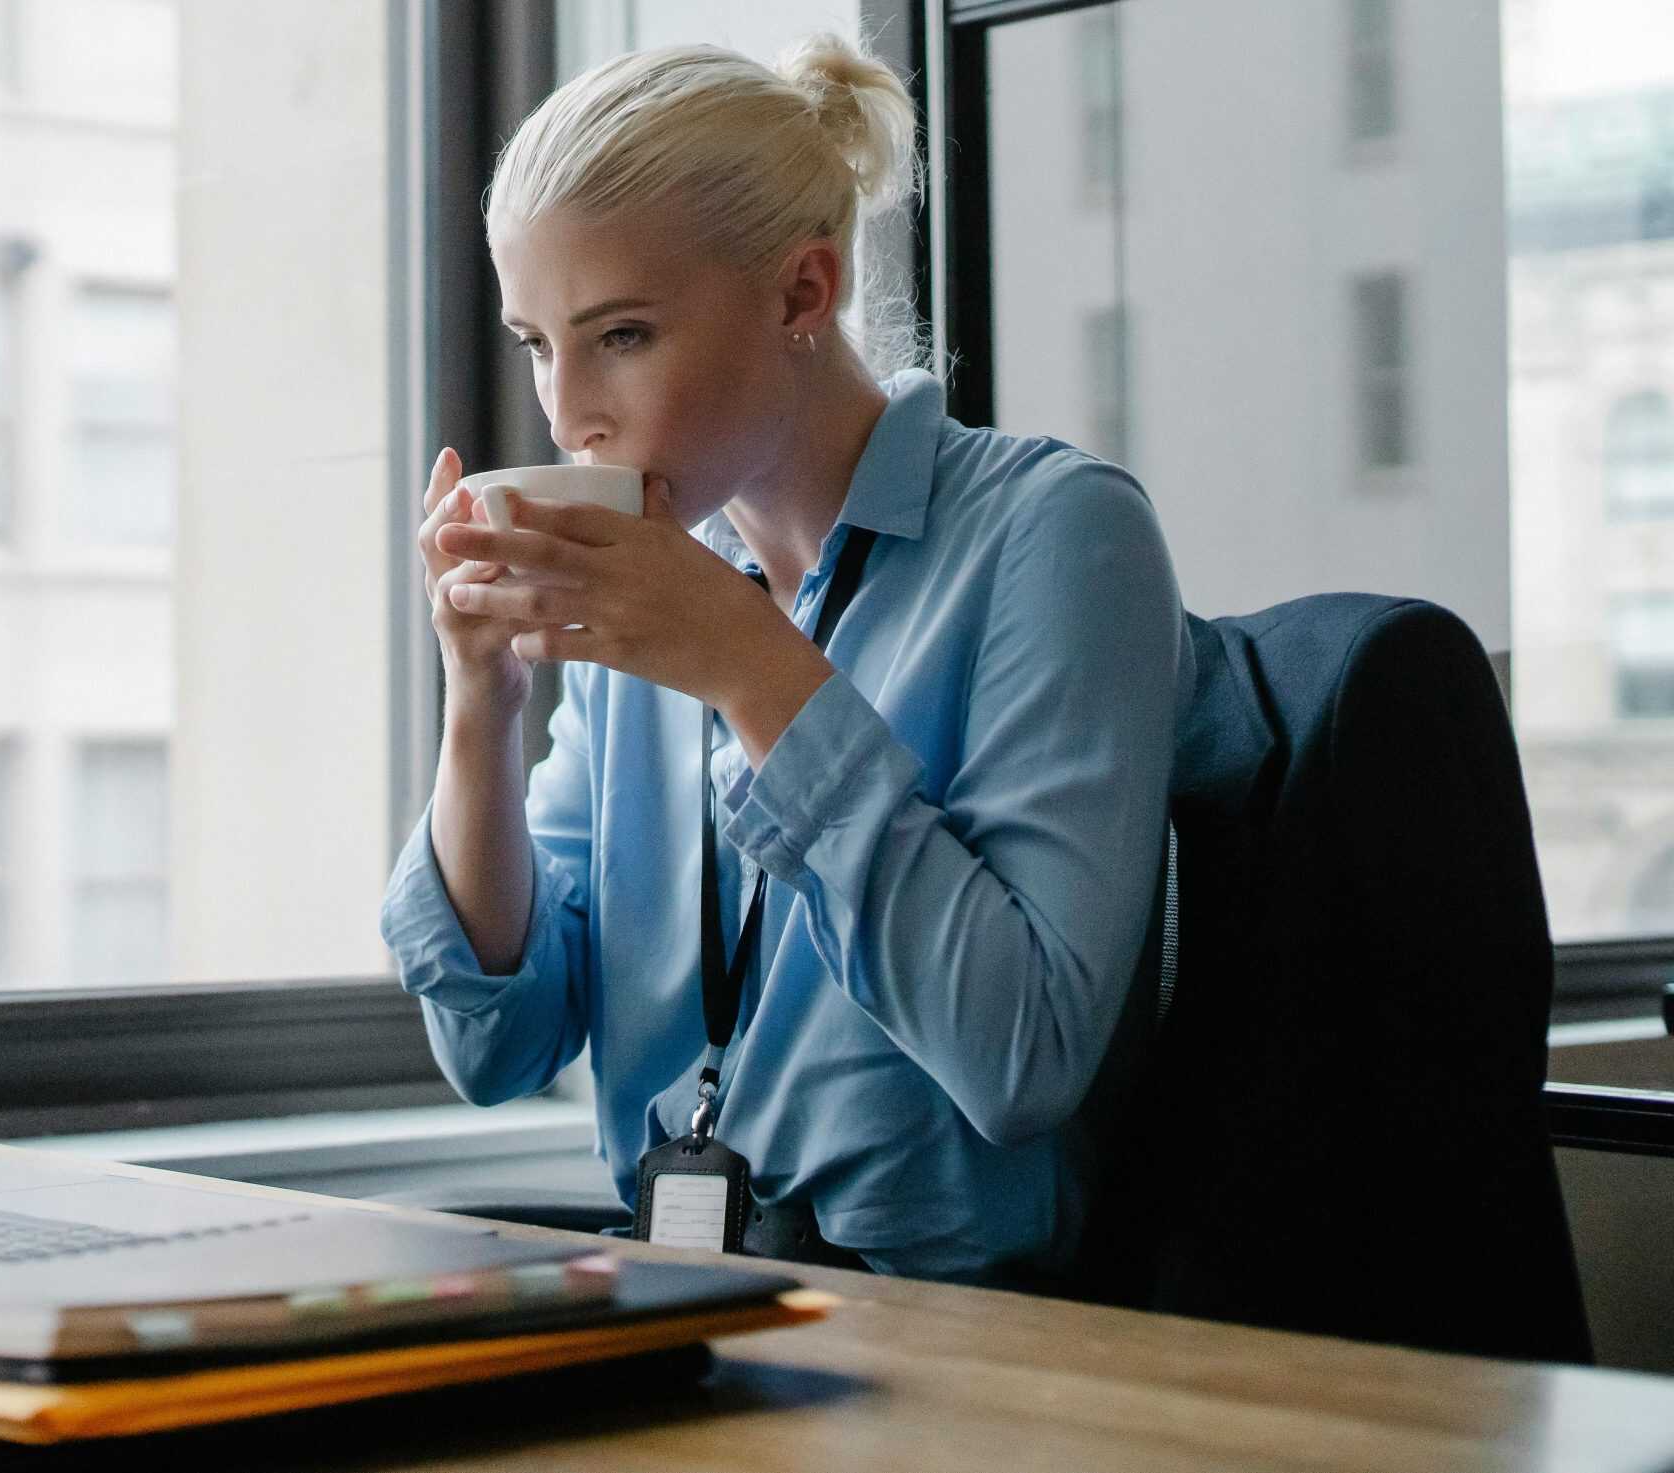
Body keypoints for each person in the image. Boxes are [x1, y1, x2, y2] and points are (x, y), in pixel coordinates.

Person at [379, 33, 1190, 1285]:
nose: (565, 412)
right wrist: (480, 701)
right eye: (538, 343)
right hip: (690, 1300)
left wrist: (751, 672)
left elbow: (1022, 1058)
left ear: (802, 295)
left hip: (965, 1335)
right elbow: (497, 1044)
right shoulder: (644, 589)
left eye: (623, 335)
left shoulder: (1056, 533)